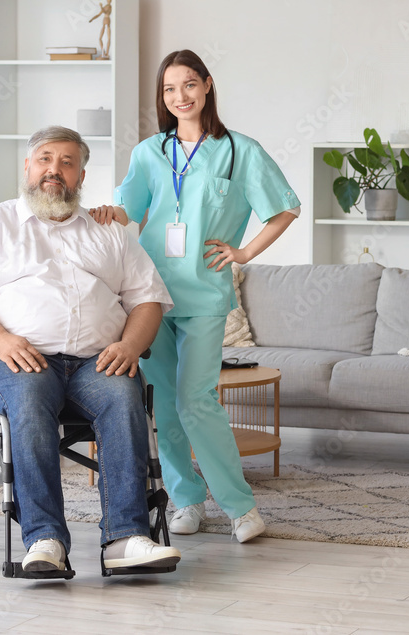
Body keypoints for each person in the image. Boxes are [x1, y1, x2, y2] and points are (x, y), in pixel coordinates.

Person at [0, 125, 181, 574]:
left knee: (124, 397)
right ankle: (45, 539)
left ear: (81, 175)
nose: (55, 170)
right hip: (17, 359)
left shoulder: (109, 233)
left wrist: (129, 344)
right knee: (28, 401)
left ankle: (125, 538)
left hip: (97, 360)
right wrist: (1, 339)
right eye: (45, 159)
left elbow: (148, 299)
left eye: (67, 162)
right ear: (27, 167)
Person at [90, 49, 300, 543]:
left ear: (206, 86)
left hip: (204, 292)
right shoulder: (149, 152)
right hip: (150, 295)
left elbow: (285, 208)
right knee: (163, 402)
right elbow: (131, 212)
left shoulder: (240, 150)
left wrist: (244, 252)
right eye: (168, 89)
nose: (179, 96)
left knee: (196, 399)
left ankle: (241, 507)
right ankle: (187, 501)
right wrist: (107, 213)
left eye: (188, 85)